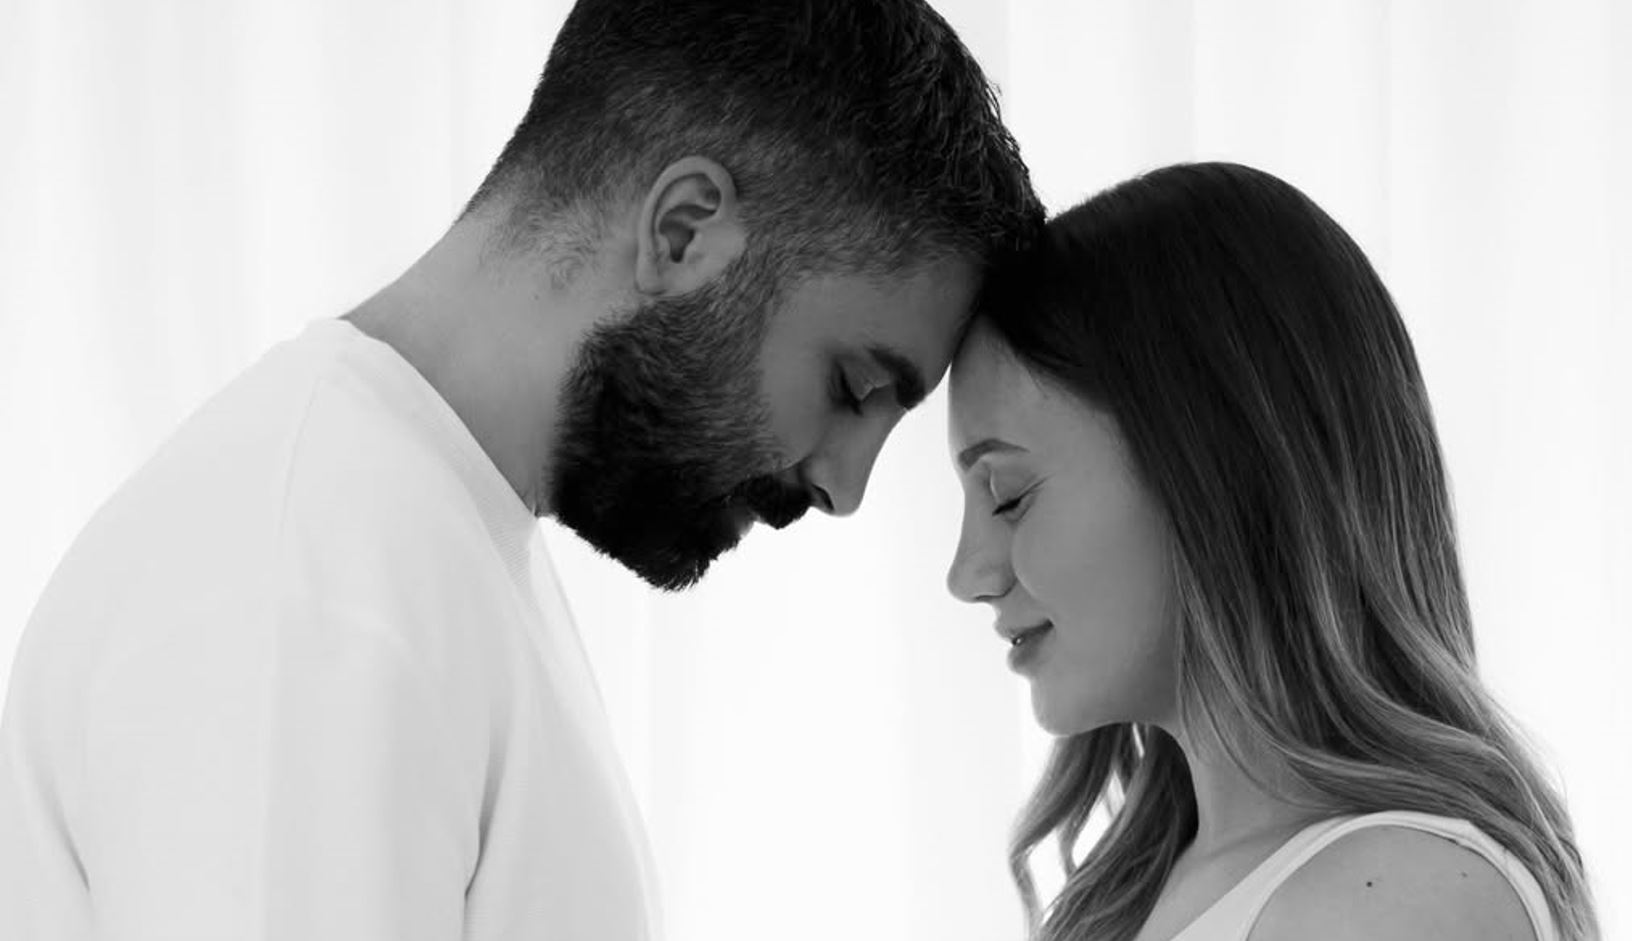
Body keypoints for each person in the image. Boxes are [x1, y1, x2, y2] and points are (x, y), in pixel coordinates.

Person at [0, 1, 1041, 938]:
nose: (844, 489)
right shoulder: (309, 579)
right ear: (683, 230)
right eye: (855, 386)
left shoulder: (412, 531)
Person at [947, 162, 1597, 941]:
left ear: (1213, 466)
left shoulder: (1396, 896)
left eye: (1008, 495)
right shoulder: (1155, 888)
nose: (967, 574)